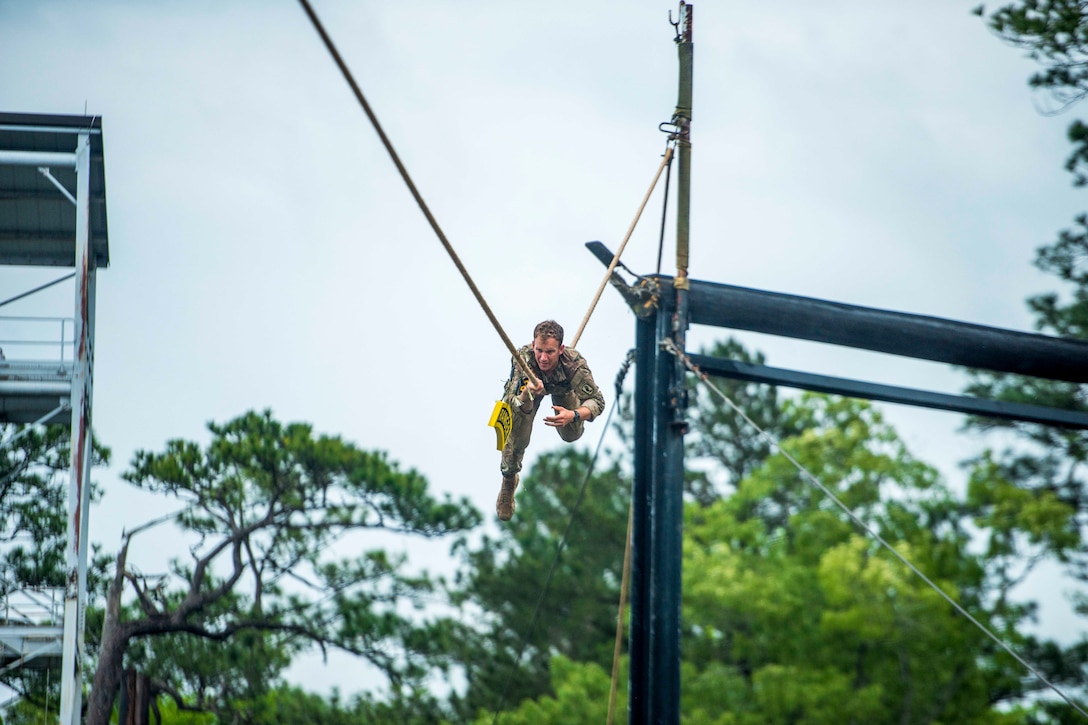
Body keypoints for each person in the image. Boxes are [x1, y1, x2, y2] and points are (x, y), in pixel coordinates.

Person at [496, 320, 605, 521]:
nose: (543, 358)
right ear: (533, 345)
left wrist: (573, 415)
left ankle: (570, 418)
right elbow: (509, 405)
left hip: (563, 389)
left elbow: (598, 401)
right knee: (516, 434)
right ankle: (508, 479)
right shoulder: (524, 360)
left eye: (550, 352)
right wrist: (526, 395)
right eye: (539, 350)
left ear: (561, 349)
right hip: (526, 394)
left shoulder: (574, 364)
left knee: (571, 434)